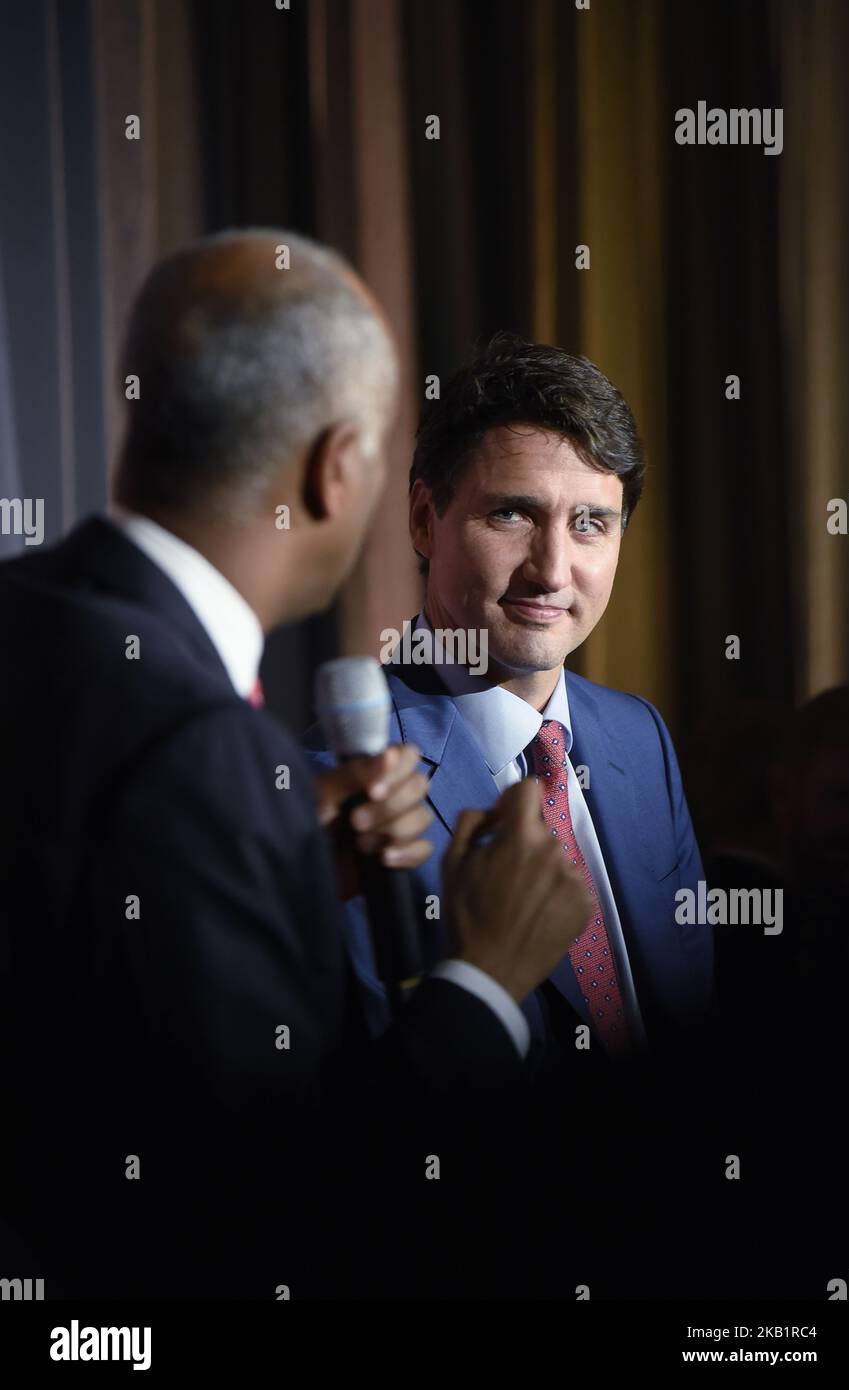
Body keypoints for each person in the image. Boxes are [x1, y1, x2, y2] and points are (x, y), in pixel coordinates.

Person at [0, 230, 591, 1298]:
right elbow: (285, 1223)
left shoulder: (32, 620)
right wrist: (483, 983)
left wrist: (259, 868)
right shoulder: (199, 744)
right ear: (340, 469)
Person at [308, 334, 715, 1068]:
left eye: (590, 523)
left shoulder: (637, 738)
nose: (552, 570)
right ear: (424, 519)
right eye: (513, 516)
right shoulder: (341, 784)